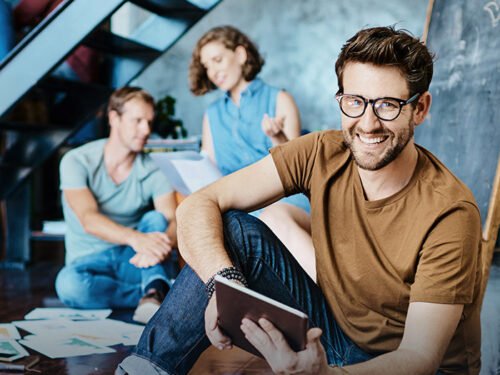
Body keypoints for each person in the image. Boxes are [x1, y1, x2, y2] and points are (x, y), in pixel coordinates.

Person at [117, 26, 482, 374]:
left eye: (387, 105)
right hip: (339, 335)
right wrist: (222, 286)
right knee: (232, 229)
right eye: (355, 101)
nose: (368, 124)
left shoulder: (450, 212)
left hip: (404, 367)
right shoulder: (321, 151)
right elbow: (199, 203)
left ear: (420, 108)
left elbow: (420, 358)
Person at [189, 25, 315, 279]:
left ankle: (335, 305)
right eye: (207, 66)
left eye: (217, 60)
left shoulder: (279, 99)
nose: (213, 72)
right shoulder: (211, 115)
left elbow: (298, 171)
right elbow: (210, 169)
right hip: (236, 203)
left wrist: (278, 138)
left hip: (282, 197)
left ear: (241, 54)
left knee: (272, 217)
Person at [55, 87, 178, 324]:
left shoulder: (153, 168)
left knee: (155, 220)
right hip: (89, 261)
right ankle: (156, 291)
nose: (146, 130)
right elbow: (88, 219)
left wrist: (161, 243)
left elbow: (171, 220)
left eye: (149, 122)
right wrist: (136, 239)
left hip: (134, 259)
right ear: (114, 117)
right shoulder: (76, 161)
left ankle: (153, 290)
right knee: (69, 285)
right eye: (138, 121)